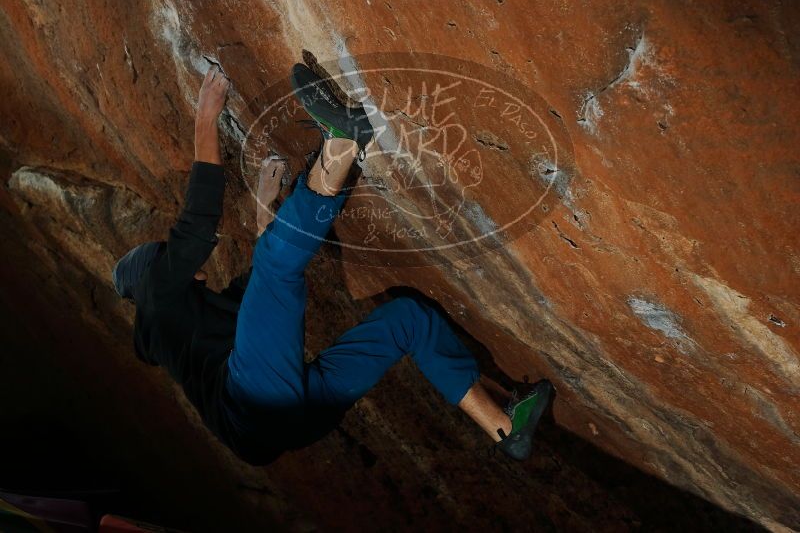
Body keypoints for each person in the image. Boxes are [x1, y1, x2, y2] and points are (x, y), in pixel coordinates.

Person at [111, 63, 553, 465]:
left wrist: (265, 208)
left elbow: (268, 301)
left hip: (281, 426)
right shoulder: (153, 292)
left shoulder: (190, 325)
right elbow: (200, 221)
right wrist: (206, 115)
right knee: (275, 266)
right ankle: (343, 141)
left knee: (407, 321)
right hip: (249, 402)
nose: (185, 261)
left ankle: (506, 427)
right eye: (168, 258)